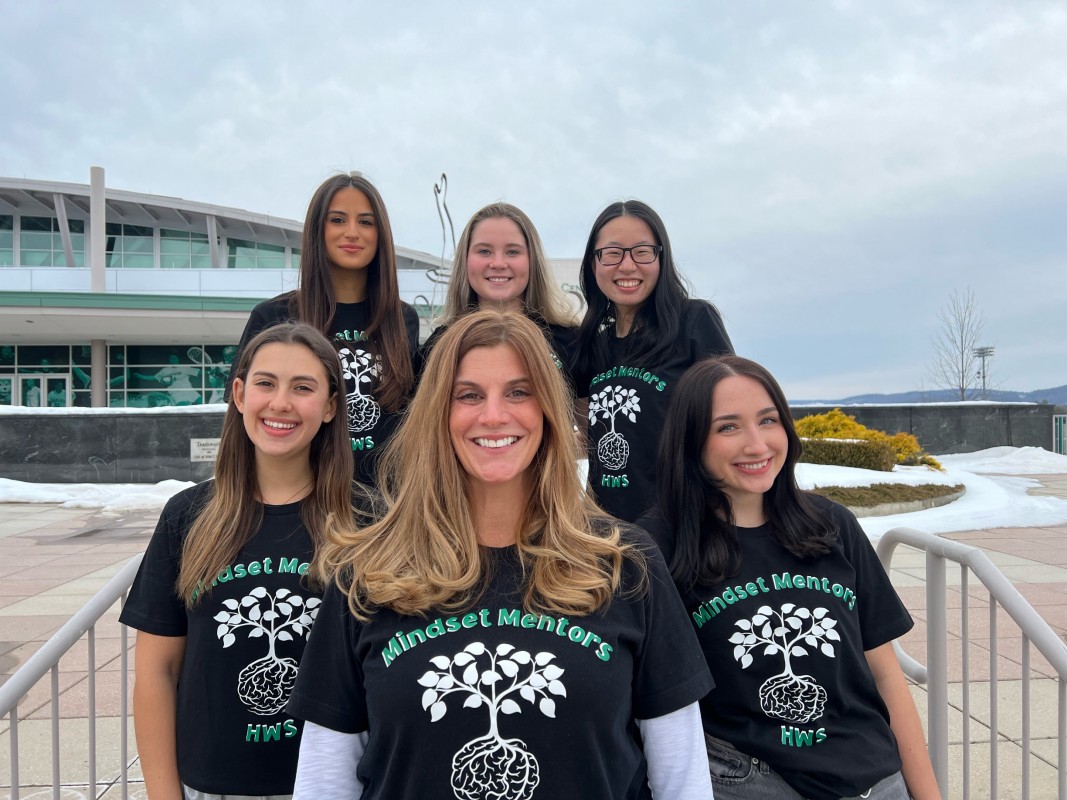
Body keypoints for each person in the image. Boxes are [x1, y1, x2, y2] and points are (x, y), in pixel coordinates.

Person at [287, 309, 714, 799]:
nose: (494, 415)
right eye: (468, 395)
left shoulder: (626, 563)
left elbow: (681, 778)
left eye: (519, 392)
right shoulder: (366, 573)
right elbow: (326, 776)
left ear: (548, 409)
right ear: (437, 413)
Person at [636, 355, 941, 800]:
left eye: (768, 420)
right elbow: (655, 705)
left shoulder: (832, 525)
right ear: (691, 441)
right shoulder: (657, 547)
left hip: (873, 780)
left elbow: (885, 675)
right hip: (747, 783)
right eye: (728, 427)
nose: (757, 445)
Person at [121, 323, 354, 799]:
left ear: (330, 406)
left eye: (303, 387)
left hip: (336, 785)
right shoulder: (188, 516)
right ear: (240, 394)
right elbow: (155, 673)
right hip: (214, 785)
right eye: (266, 383)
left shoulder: (368, 520)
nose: (281, 403)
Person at [227, 172, 419, 486]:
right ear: (319, 229)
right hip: (304, 503)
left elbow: (411, 420)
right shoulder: (273, 317)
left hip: (386, 507)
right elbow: (242, 426)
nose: (353, 232)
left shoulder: (402, 319)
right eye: (338, 220)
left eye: (366, 222)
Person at [570, 200, 733, 522]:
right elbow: (589, 434)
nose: (627, 266)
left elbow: (731, 422)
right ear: (593, 263)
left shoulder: (694, 321)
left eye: (642, 251)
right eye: (612, 253)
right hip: (609, 530)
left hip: (683, 525)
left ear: (661, 258)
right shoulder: (592, 345)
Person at [417, 202, 577, 384]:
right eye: (484, 251)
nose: (498, 263)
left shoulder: (572, 343)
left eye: (513, 251)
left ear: (532, 261)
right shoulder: (437, 346)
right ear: (465, 260)